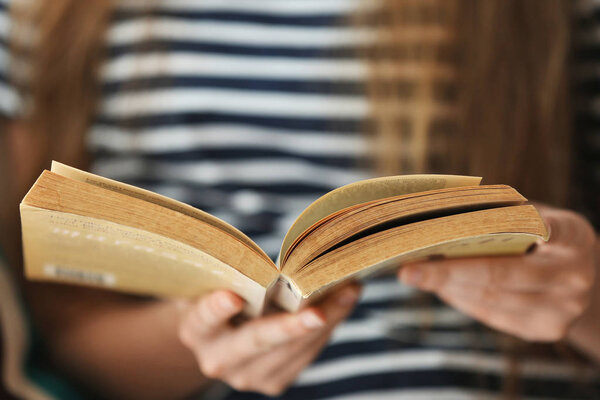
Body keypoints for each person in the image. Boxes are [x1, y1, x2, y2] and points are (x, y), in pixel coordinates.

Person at [0, 0, 598, 399]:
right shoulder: (47, 17)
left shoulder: (558, 15)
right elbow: (72, 345)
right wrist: (202, 330)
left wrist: (586, 294)